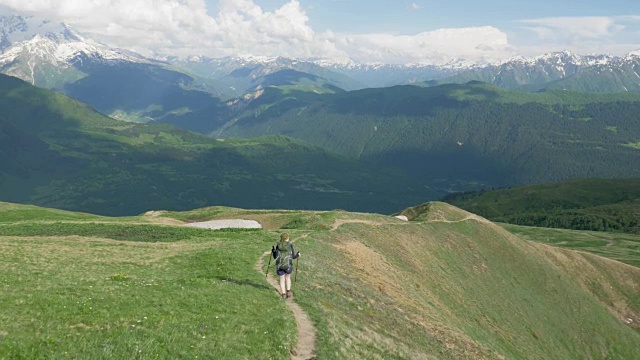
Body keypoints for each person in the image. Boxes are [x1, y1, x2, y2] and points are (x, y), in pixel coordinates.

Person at [271, 232, 300, 299]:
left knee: (282, 279)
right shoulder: (290, 245)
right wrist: (298, 255)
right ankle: (288, 291)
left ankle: (283, 294)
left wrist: (273, 251)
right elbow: (293, 256)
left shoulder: (278, 245)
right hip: (288, 266)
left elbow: (275, 257)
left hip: (280, 266)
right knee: (288, 278)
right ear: (287, 238)